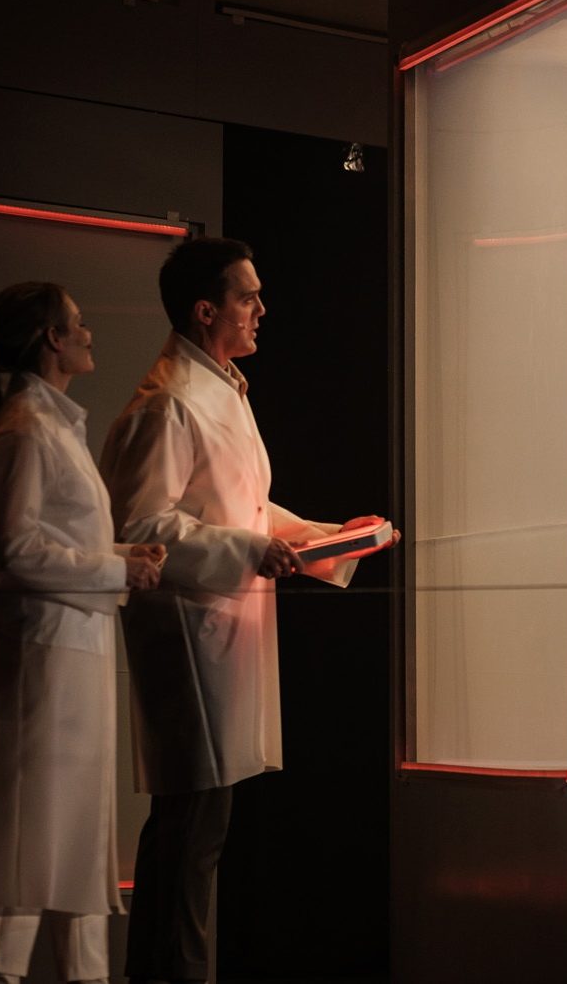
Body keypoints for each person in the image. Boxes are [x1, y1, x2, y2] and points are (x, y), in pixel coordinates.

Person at [99, 237, 367, 984]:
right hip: (189, 633)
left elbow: (241, 504)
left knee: (195, 830)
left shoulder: (222, 388)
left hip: (224, 629)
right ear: (205, 310)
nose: (261, 309)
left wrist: (322, 537)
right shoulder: (168, 402)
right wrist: (252, 548)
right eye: (247, 297)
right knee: (191, 830)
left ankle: (167, 971)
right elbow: (142, 525)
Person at [0, 282, 165, 984]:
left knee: (73, 829)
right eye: (78, 323)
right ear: (51, 338)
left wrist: (123, 559)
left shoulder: (47, 426)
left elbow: (52, 541)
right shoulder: (26, 430)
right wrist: (115, 568)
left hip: (71, 647)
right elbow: (17, 548)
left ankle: (84, 972)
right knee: (31, 828)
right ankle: (2, 969)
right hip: (45, 650)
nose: (88, 333)